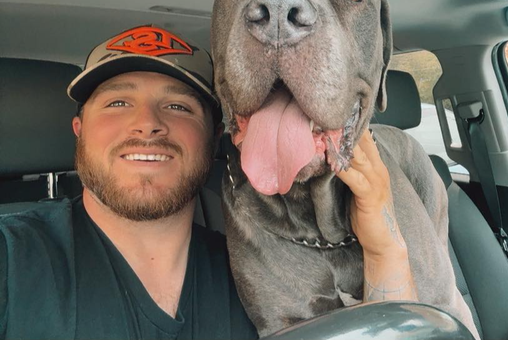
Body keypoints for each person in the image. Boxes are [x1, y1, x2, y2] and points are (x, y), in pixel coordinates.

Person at [0, 24, 416, 339]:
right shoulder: (13, 258)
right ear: (79, 131)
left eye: (178, 106)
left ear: (215, 137)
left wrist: (385, 250)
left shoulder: (261, 271)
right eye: (118, 102)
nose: (147, 124)